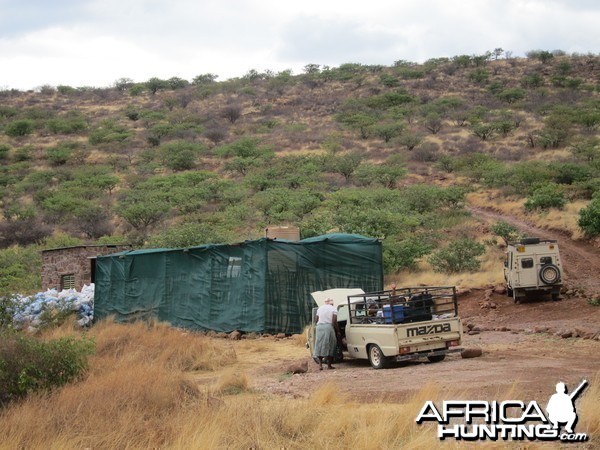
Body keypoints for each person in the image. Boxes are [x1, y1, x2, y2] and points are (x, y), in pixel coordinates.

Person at [313, 297, 340, 370]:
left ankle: (320, 365)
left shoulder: (320, 308)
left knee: (319, 345)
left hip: (319, 327)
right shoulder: (333, 308)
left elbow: (316, 319)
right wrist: (338, 331)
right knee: (330, 345)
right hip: (328, 327)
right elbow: (334, 321)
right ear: (332, 303)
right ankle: (329, 365)